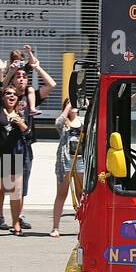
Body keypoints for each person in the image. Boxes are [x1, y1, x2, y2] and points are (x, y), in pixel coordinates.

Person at [0, 45, 55, 232]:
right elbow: (1, 88)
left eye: (23, 76)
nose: (20, 79)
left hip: (24, 145)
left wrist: (36, 67)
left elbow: (51, 85)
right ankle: (0, 218)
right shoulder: (6, 96)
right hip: (3, 147)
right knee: (0, 187)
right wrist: (7, 71)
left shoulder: (31, 95)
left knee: (20, 185)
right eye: (18, 76)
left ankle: (18, 216)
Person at [0, 86, 30, 236]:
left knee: (16, 193)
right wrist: (6, 72)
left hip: (15, 156)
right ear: (3, 97)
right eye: (8, 94)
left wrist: (20, 123)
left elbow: (29, 135)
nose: (11, 96)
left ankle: (16, 223)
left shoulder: (20, 114)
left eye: (14, 94)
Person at [50, 99, 83, 238]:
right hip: (66, 161)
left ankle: (83, 228)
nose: (73, 106)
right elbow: (57, 123)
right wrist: (67, 107)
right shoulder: (64, 123)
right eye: (70, 104)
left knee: (81, 196)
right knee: (61, 194)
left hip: (81, 161)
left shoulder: (83, 121)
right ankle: (55, 227)